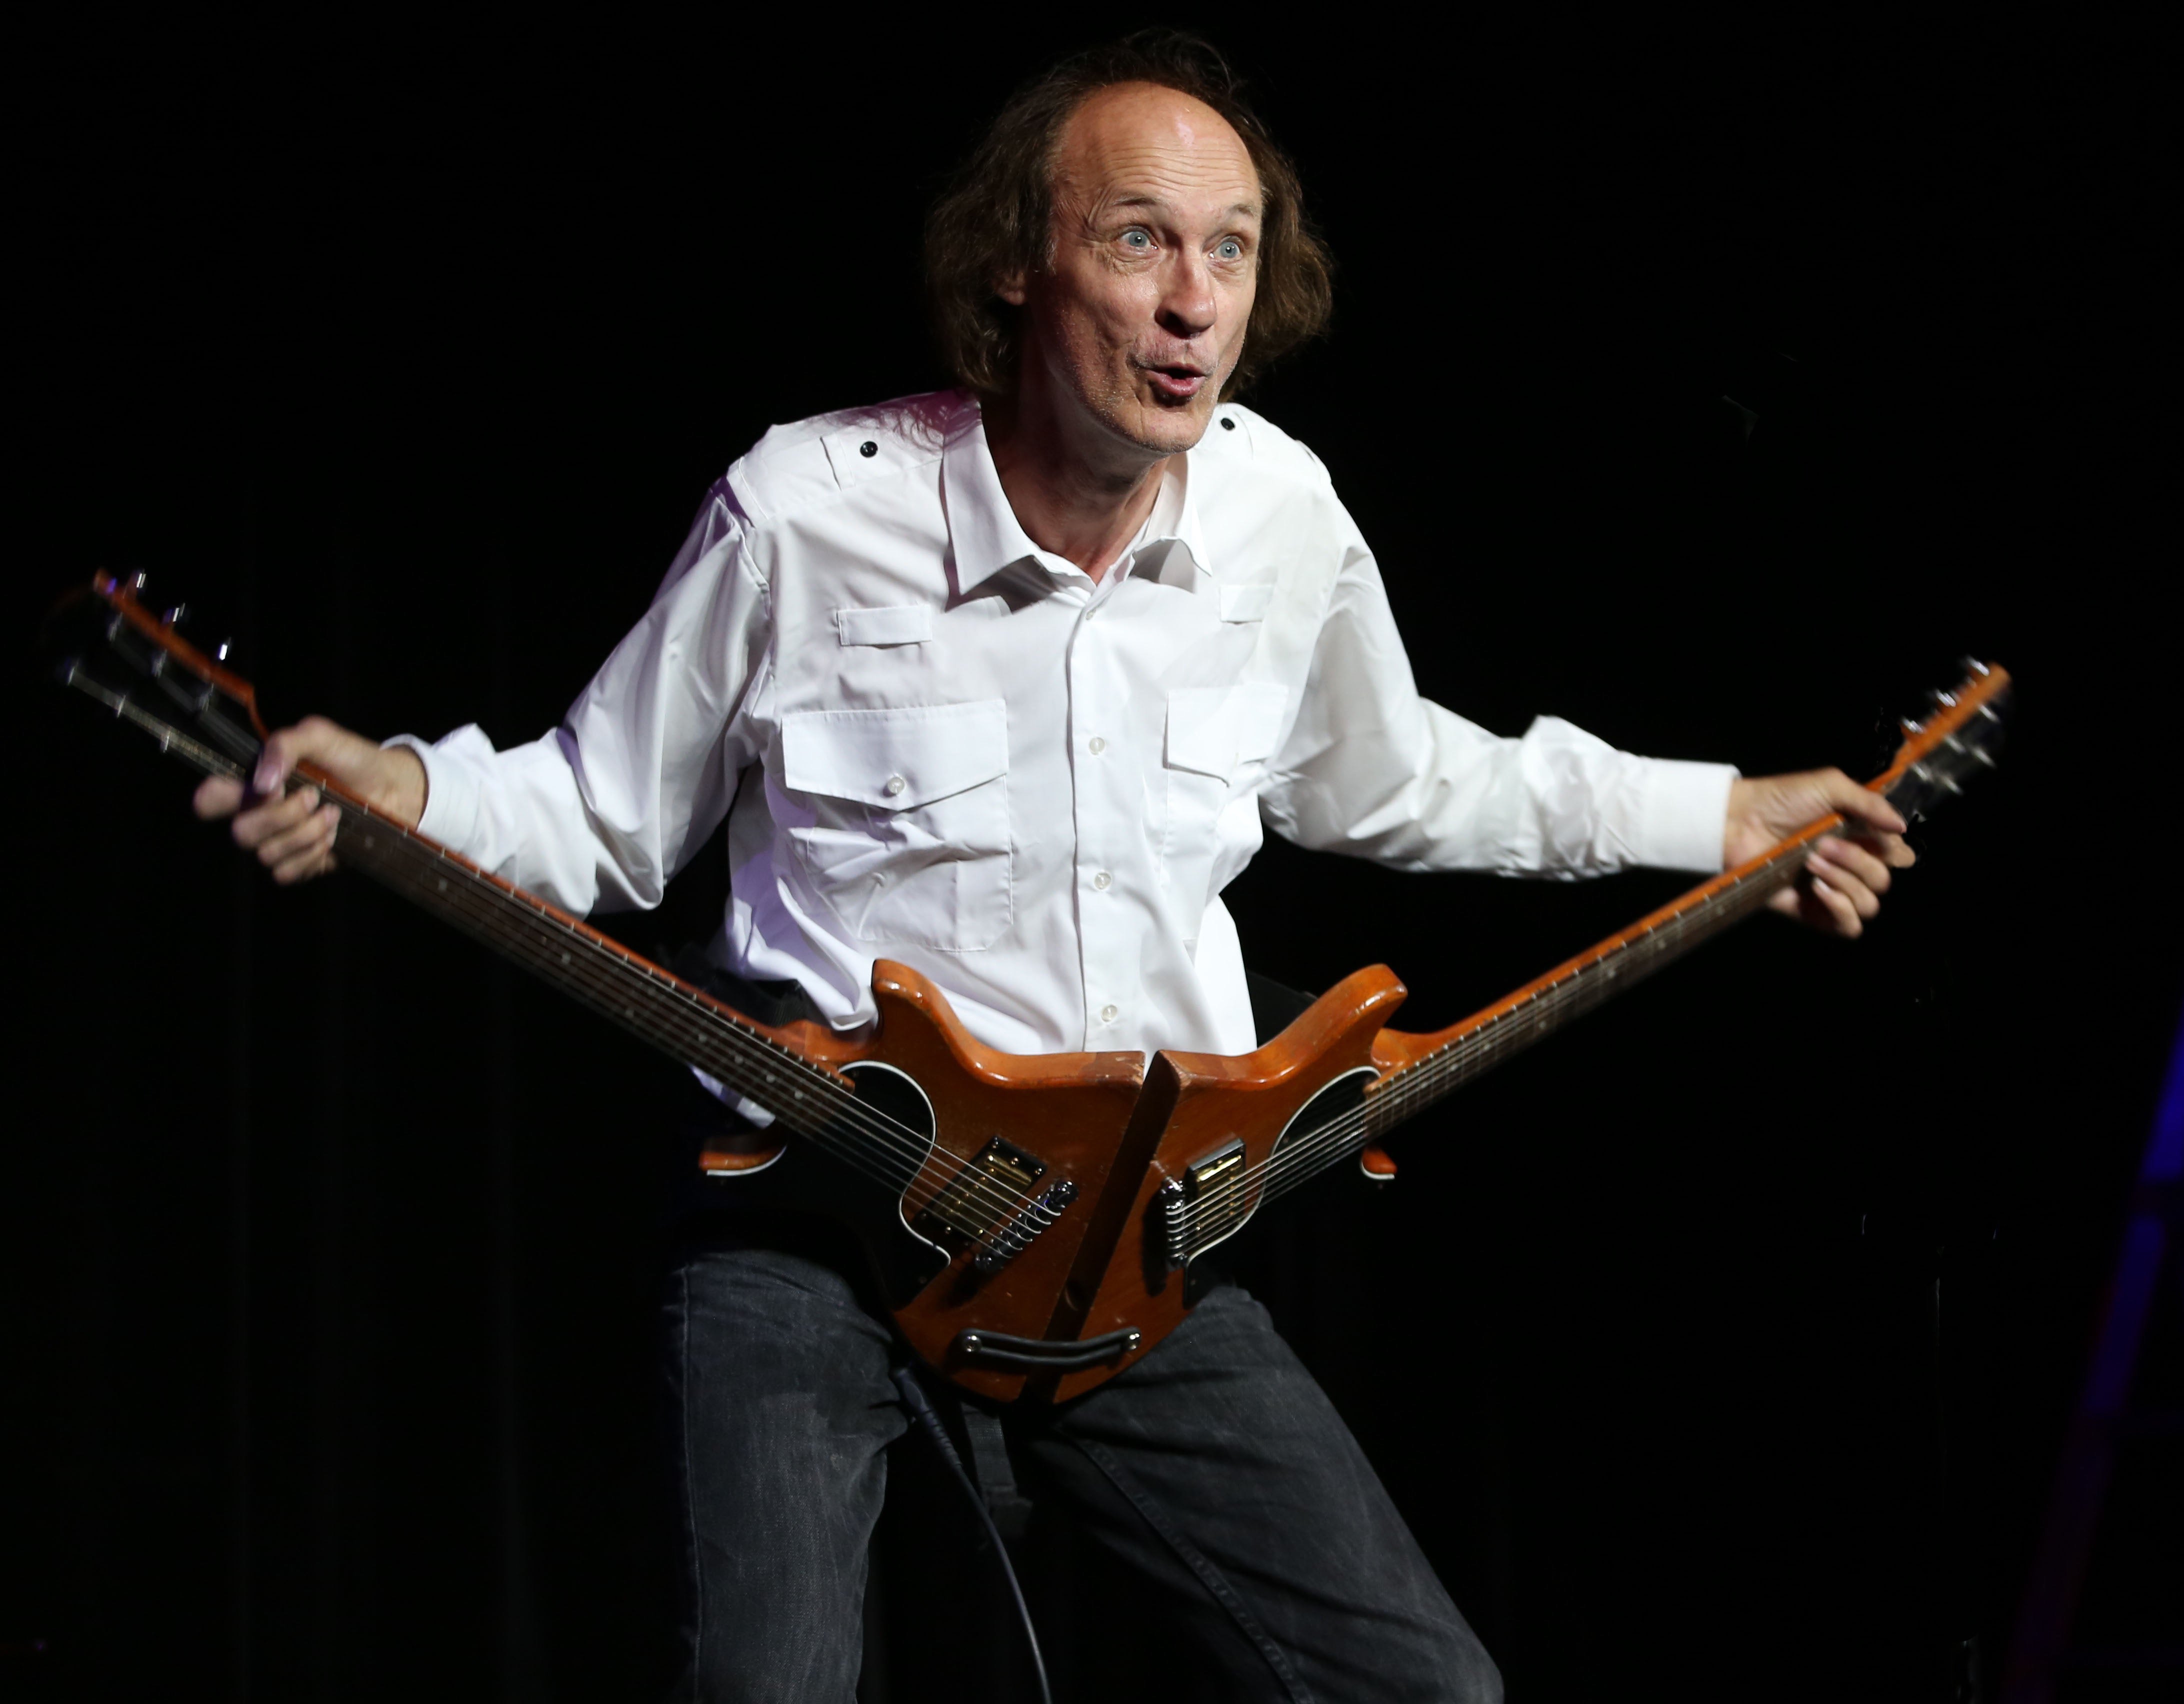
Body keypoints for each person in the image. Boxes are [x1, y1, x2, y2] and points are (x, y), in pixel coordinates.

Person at [194, 32, 1912, 1704]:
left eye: (1231, 248)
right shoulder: (807, 510)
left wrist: (1722, 819)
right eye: (1141, 240)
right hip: (815, 1220)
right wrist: (402, 789)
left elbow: (1404, 781)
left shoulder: (1281, 517)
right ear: (1019, 262)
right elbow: (596, 811)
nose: (1195, 304)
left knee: (1427, 1684)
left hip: (1121, 1248)